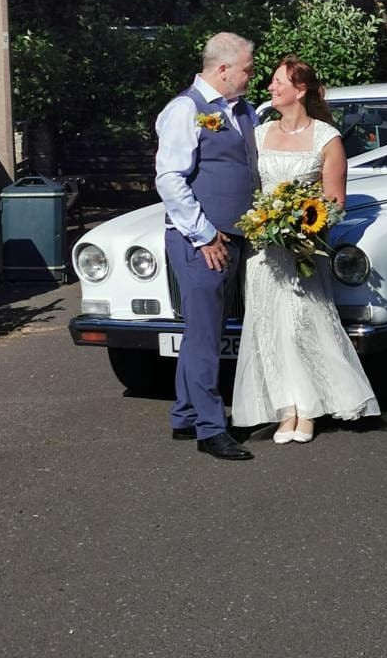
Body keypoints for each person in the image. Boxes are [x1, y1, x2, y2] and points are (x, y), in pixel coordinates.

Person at [231, 55, 380, 443]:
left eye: (278, 82)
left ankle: (309, 409)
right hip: (264, 251)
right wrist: (263, 222)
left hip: (303, 250)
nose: (270, 88)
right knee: (268, 328)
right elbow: (247, 188)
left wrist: (300, 228)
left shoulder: (325, 138)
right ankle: (285, 410)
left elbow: (335, 201)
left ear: (300, 90)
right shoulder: (260, 135)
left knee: (301, 325)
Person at [155, 32, 259, 461]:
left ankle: (184, 414)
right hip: (201, 241)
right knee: (203, 336)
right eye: (248, 70)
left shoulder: (241, 111)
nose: (252, 76)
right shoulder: (185, 110)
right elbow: (170, 179)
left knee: (206, 330)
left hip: (231, 235)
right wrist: (203, 235)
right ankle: (210, 428)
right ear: (222, 69)